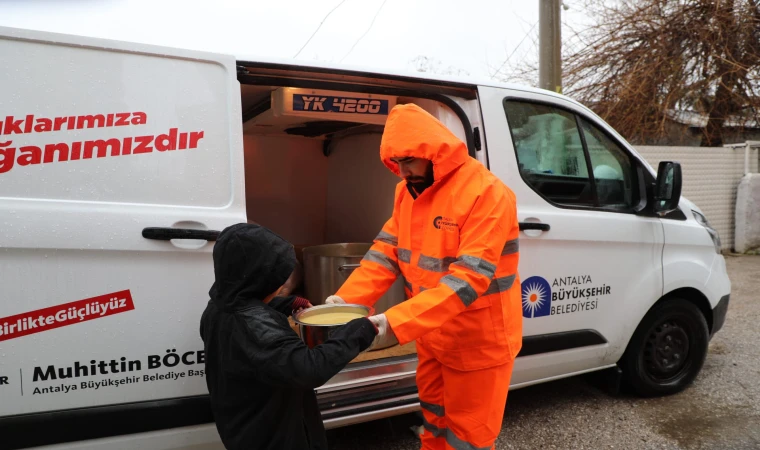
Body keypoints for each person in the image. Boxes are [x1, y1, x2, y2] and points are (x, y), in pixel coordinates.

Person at [327, 103, 523, 450]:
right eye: (396, 164)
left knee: (469, 438)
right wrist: (345, 301)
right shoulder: (408, 191)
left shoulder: (487, 193)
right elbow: (386, 252)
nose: (402, 172)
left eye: (409, 162)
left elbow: (468, 280)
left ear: (434, 153)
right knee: (433, 420)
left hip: (478, 342)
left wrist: (391, 324)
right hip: (432, 334)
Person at [199, 223, 378, 450]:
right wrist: (360, 331)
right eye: (277, 279)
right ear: (259, 279)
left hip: (241, 425)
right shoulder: (258, 331)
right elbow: (310, 369)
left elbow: (249, 305)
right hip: (274, 438)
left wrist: (287, 303)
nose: (283, 284)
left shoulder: (218, 307)